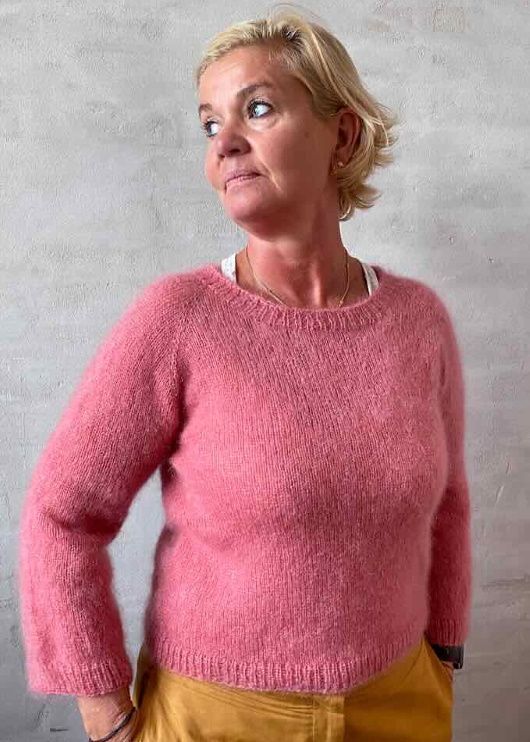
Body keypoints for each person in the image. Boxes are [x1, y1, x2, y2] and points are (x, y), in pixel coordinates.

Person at [18, 5, 472, 741]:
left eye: (256, 109)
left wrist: (445, 644)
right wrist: (104, 711)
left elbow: (448, 502)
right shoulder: (179, 318)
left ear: (342, 135)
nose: (224, 142)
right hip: (215, 715)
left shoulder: (418, 321)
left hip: (401, 703)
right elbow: (61, 514)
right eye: (209, 124)